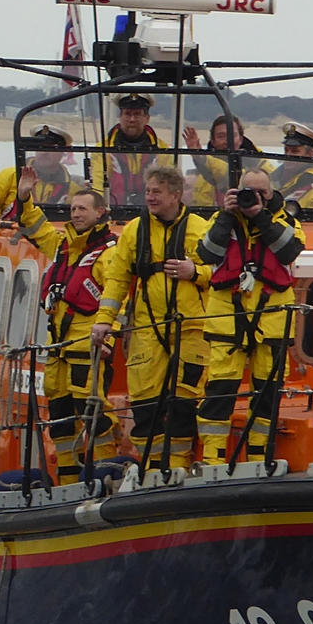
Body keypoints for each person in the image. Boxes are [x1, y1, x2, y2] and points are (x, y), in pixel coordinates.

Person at [90, 164, 212, 471]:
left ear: (175, 194)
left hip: (191, 327)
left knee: (185, 403)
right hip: (147, 327)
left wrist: (195, 272)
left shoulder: (200, 229)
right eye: (147, 191)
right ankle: (152, 470)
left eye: (156, 191)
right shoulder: (134, 230)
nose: (150, 197)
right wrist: (105, 318)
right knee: (145, 404)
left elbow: (223, 274)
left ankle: (179, 468)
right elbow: (117, 279)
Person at [193, 167, 306, 463]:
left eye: (262, 193)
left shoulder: (286, 221)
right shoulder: (222, 221)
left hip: (272, 321)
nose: (254, 198)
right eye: (248, 192)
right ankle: (213, 461)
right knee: (219, 392)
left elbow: (289, 251)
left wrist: (259, 215)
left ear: (271, 194)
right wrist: (228, 214)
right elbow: (207, 254)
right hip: (227, 320)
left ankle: (258, 459)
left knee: (266, 396)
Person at [18, 175, 121, 480]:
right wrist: (25, 198)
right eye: (73, 209)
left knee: (94, 413)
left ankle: (107, 473)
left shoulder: (110, 253)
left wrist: (109, 341)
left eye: (82, 209)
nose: (75, 214)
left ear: (99, 213)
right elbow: (35, 226)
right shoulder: (63, 246)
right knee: (60, 417)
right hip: (58, 348)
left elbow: (119, 298)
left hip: (88, 347)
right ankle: (67, 479)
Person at [0, 125, 83, 226]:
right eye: (39, 147)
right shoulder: (11, 175)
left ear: (62, 152)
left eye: (51, 148)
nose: (44, 152)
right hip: (9, 240)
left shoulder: (73, 189)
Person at [90, 94, 173, 207]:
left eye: (137, 114)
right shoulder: (102, 149)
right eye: (127, 114)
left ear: (147, 118)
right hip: (114, 211)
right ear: (120, 117)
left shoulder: (162, 150)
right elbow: (98, 185)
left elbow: (168, 187)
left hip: (152, 212)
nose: (132, 119)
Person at [184, 115, 272, 208]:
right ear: (213, 141)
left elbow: (228, 175)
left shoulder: (259, 165)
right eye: (221, 136)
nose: (227, 141)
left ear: (241, 139)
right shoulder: (202, 171)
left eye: (232, 135)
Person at [271, 122, 313, 210]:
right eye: (286, 150)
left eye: (295, 151)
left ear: (310, 154)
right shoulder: (275, 179)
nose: (288, 155)